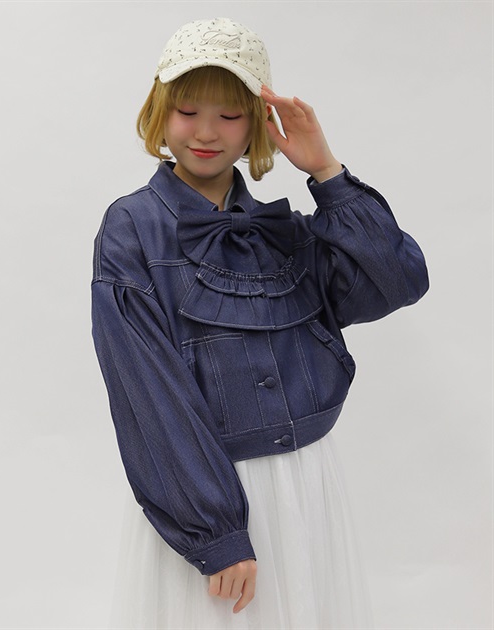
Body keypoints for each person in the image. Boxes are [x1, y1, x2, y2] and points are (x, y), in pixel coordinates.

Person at [91, 17, 429, 630]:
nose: (206, 132)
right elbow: (148, 391)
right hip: (202, 495)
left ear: (257, 123)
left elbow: (398, 281)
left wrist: (326, 171)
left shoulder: (288, 232)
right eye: (188, 110)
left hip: (307, 488)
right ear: (160, 112)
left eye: (229, 115)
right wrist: (216, 533)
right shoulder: (132, 228)